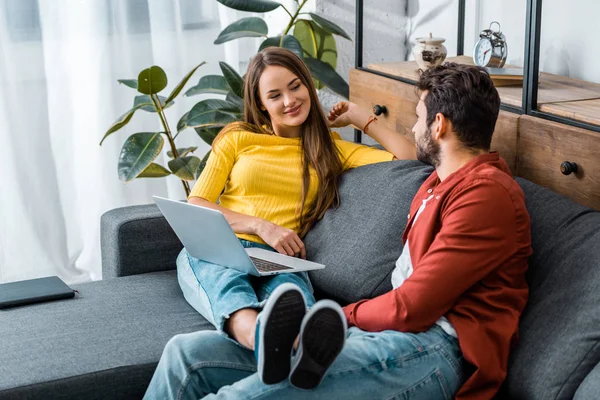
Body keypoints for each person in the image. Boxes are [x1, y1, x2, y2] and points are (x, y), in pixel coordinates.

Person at [145, 60, 531, 399]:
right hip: (385, 334)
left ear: (440, 125)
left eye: (417, 117)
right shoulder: (436, 185)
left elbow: (411, 306)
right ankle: (264, 335)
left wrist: (332, 316)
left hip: (433, 349)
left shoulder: (486, 195)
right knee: (185, 356)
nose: (414, 128)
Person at [143, 47, 416, 399]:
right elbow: (197, 202)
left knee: (294, 305)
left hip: (281, 260)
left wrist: (359, 116)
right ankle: (269, 345)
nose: (290, 100)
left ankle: (292, 348)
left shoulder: (330, 150)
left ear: (308, 87)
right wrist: (260, 225)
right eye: (275, 95)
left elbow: (408, 158)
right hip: (222, 245)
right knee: (231, 294)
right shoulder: (237, 137)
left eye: (296, 86)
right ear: (261, 105)